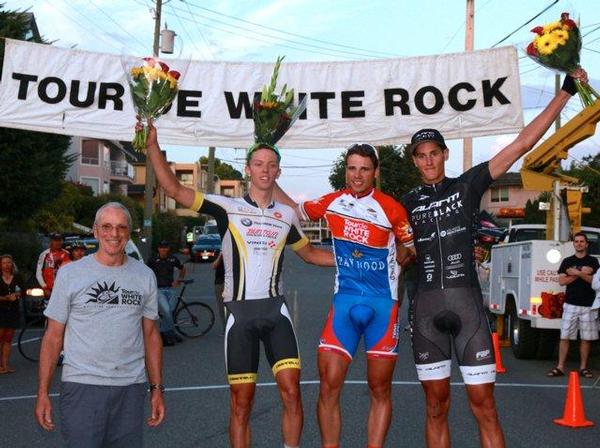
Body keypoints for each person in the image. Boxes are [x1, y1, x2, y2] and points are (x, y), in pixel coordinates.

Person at [142, 59, 333, 448]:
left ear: (278, 171)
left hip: (276, 312)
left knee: (293, 393)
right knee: (240, 404)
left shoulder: (286, 215)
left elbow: (312, 254)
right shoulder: (225, 207)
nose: (265, 170)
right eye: (259, 164)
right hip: (240, 315)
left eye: (272, 165)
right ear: (249, 169)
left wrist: (364, 256)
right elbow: (176, 191)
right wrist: (153, 148)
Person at [401, 69, 588, 448]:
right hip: (425, 312)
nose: (428, 161)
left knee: (484, 407)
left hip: (467, 306)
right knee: (435, 407)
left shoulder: (467, 184)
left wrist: (566, 92)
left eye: (434, 153)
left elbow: (521, 144)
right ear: (415, 162)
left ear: (444, 154)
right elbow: (398, 254)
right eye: (421, 156)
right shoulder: (404, 204)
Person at [274, 143, 414, 448]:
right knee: (328, 386)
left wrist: (405, 251)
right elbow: (293, 211)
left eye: (364, 169)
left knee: (380, 389)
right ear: (345, 170)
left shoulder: (391, 207)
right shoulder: (331, 202)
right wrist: (271, 176)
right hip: (345, 302)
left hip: (382, 306)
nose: (357, 175)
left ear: (375, 172)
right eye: (352, 168)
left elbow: (410, 245)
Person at [35, 202, 164, 446]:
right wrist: (43, 392)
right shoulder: (71, 274)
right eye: (106, 227)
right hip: (82, 386)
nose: (113, 234)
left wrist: (157, 389)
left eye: (120, 227)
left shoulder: (145, 276)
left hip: (131, 387)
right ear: (95, 231)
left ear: (129, 232)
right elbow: (53, 337)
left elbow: (151, 336)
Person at [547, 233, 599, 379]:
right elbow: (562, 282)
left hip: (588, 305)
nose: (579, 244)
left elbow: (594, 282)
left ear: (587, 244)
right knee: (564, 336)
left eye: (582, 241)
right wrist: (581, 273)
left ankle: (583, 368)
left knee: (586, 338)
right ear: (573, 244)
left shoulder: (594, 261)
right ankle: (560, 367)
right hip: (570, 304)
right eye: (576, 241)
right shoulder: (567, 261)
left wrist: (576, 273)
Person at [146, 240, 187, 346]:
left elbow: (182, 268)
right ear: (158, 249)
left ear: (168, 248)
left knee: (169, 312)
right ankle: (171, 333)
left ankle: (166, 334)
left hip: (171, 289)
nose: (163, 249)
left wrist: (179, 280)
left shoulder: (173, 259)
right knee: (167, 311)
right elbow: (145, 273)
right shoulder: (153, 260)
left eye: (165, 247)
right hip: (159, 290)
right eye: (161, 247)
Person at [0, 254, 24, 374]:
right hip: (1, 311)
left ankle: (5, 365)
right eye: (4, 263)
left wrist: (17, 295)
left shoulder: (17, 276)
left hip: (13, 311)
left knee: (8, 339)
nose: (7, 265)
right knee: (0, 338)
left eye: (9, 262)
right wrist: (6, 298)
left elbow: (23, 290)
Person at [36, 233, 71, 298]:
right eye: (55, 240)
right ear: (51, 241)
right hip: (49, 290)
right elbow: (38, 273)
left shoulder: (67, 254)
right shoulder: (44, 254)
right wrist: (45, 287)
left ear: (62, 241)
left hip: (64, 290)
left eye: (60, 240)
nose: (58, 242)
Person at [212, 252, 226, 334]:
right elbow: (214, 266)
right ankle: (225, 328)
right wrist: (220, 256)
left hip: (232, 283)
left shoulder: (235, 251)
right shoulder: (218, 253)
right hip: (220, 283)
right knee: (221, 307)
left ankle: (232, 327)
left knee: (233, 306)